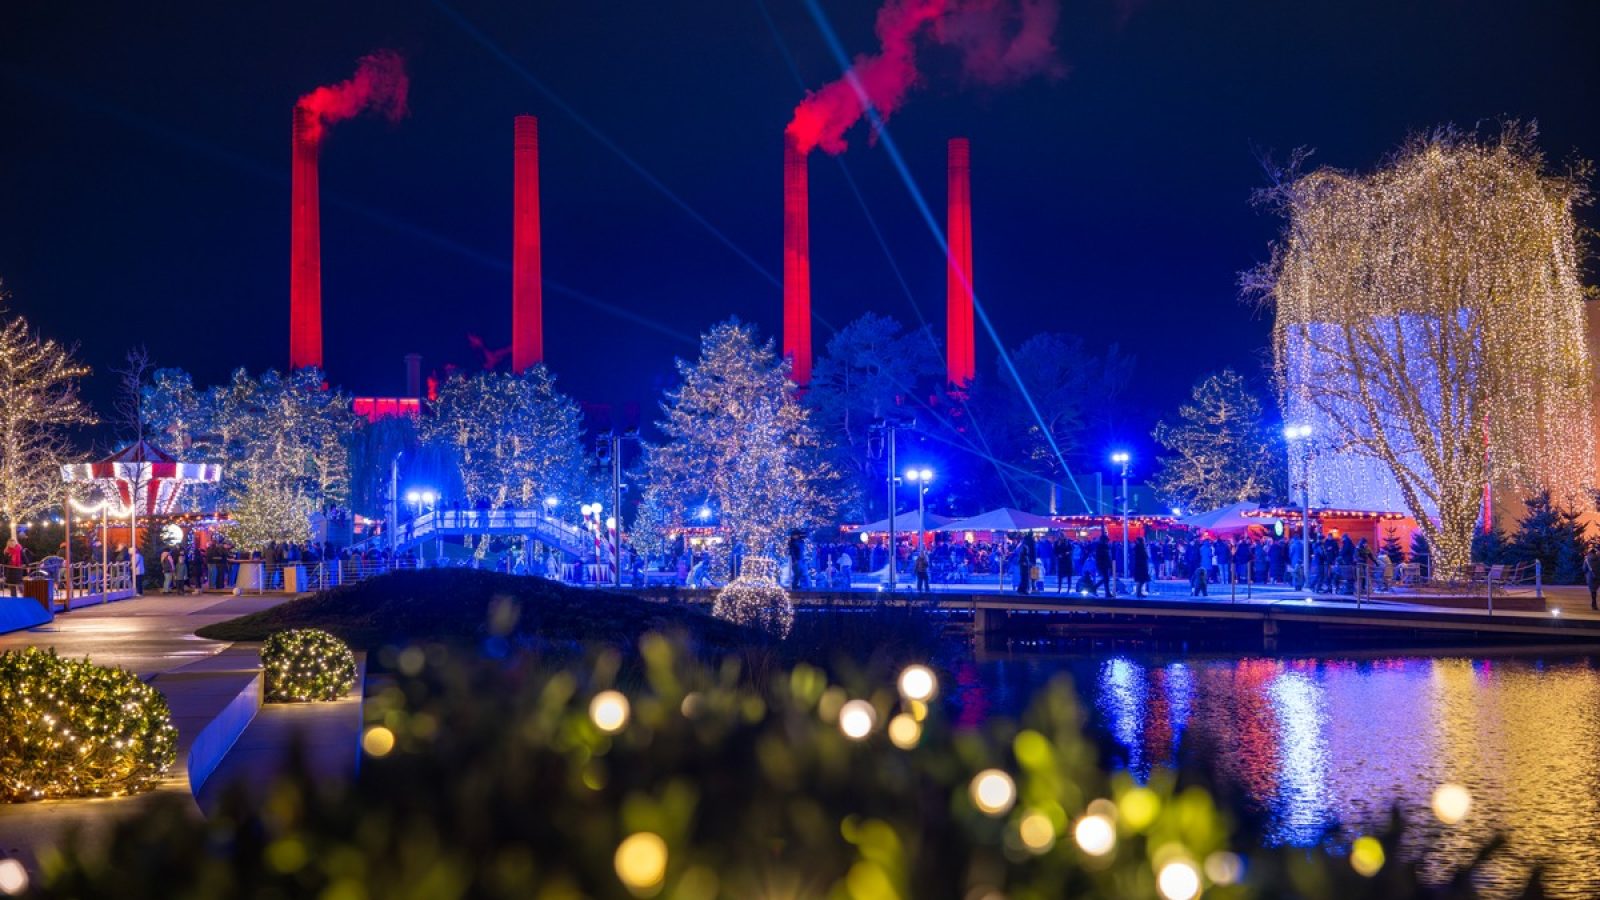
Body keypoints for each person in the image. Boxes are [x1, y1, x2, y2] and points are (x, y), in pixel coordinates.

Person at [1093, 533, 1114, 598]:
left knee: (1106, 578)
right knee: (1106, 578)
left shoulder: (1104, 547)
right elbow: (1101, 557)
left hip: (1105, 564)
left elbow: (1108, 556)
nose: (1107, 542)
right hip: (1102, 564)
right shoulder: (1100, 547)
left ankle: (1104, 591)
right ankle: (1104, 591)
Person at [1585, 545, 1600, 610]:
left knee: (1593, 591)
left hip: (1590, 576)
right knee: (1596, 589)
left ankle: (1594, 603)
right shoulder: (1599, 559)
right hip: (1598, 576)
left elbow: (1584, 569)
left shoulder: (1587, 560)